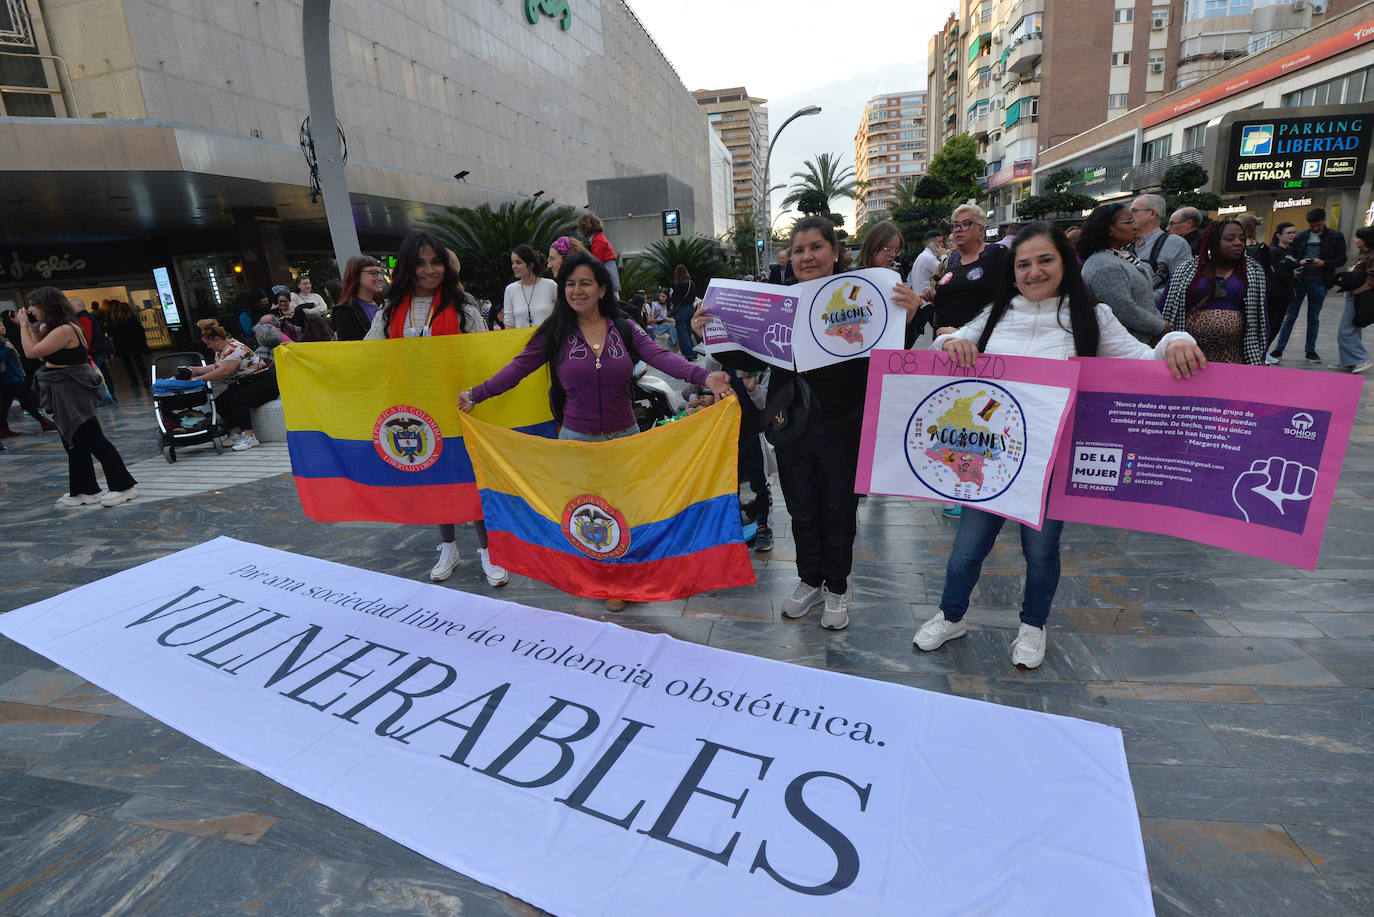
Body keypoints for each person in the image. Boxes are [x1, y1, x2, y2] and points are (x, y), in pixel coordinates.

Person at [915, 223, 1206, 668]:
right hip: (991, 460)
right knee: (967, 548)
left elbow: (1143, 360)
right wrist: (948, 339)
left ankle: (1033, 626)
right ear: (1012, 272)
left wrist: (1175, 340)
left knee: (1042, 551)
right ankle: (950, 615)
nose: (1034, 271)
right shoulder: (998, 312)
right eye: (1024, 263)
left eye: (1045, 260)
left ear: (1064, 263)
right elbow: (947, 349)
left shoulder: (1094, 316)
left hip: (1051, 461)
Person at [459, 251, 731, 610]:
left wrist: (703, 375)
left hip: (625, 438)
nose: (577, 290)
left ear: (602, 289)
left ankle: (627, 577)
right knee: (592, 514)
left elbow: (661, 357)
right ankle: (603, 579)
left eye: (586, 282)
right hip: (577, 442)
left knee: (627, 509)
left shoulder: (625, 328)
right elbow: (517, 370)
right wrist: (477, 394)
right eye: (569, 284)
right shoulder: (554, 333)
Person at [747, 217, 917, 630]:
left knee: (838, 512)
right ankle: (809, 581)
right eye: (799, 249)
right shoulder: (780, 301)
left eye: (816, 247)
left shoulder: (862, 295)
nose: (807, 257)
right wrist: (712, 329)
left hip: (844, 426)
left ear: (836, 252)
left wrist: (909, 319)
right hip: (791, 427)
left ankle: (837, 588)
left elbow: (888, 353)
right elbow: (751, 356)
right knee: (803, 511)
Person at [364, 230, 506, 588]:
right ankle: (448, 548)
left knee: (471, 480)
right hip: (414, 413)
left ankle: (489, 551)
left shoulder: (463, 308)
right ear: (407, 268)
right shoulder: (390, 310)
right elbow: (367, 354)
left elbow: (483, 355)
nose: (429, 270)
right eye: (420, 263)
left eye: (436, 262)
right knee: (434, 481)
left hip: (459, 410)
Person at [920, 205, 1009, 516]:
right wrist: (932, 293)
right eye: (954, 224)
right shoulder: (950, 260)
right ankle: (958, 482)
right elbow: (944, 290)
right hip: (947, 352)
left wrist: (966, 334)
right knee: (955, 417)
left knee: (982, 415)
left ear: (982, 228)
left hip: (980, 351)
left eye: (966, 224)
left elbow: (1005, 300)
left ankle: (985, 479)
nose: (958, 229)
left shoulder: (997, 257)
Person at [16, 287, 139, 507]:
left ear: (47, 305)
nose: (31, 309)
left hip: (73, 388)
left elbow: (31, 353)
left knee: (93, 438)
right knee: (73, 441)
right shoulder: (54, 328)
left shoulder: (65, 329)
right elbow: (42, 352)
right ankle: (85, 490)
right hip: (61, 386)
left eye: (34, 304)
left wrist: (24, 326)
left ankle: (123, 486)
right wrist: (34, 328)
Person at [1161, 220, 1268, 366]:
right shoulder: (1185, 271)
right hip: (1190, 356)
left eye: (1242, 239)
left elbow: (1261, 316)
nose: (1238, 243)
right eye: (1230, 239)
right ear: (1213, 242)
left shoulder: (1253, 271)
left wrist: (1262, 354)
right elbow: (1165, 308)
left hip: (1235, 357)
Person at [1078, 203, 1168, 344]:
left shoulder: (1118, 256)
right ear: (1109, 229)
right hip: (1128, 346)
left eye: (1134, 221)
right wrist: (1161, 327)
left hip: (1142, 341)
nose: (1135, 226)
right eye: (1128, 222)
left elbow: (1145, 301)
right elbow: (1125, 311)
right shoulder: (1103, 265)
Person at [1268, 207, 1347, 366]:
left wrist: (1324, 263)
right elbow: (1293, 256)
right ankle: (1279, 348)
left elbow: (1342, 258)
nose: (1315, 228)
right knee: (1290, 316)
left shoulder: (1336, 236)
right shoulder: (1302, 236)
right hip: (1300, 280)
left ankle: (1310, 350)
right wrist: (1299, 263)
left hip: (1320, 280)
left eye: (1318, 225)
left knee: (1314, 317)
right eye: (1312, 226)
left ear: (1324, 221)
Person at [186, 319, 279, 451]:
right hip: (246, 382)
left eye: (208, 343)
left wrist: (200, 379)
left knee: (238, 399)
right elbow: (219, 366)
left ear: (217, 339)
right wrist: (196, 370)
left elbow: (225, 370)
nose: (208, 347)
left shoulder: (234, 348)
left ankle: (250, 436)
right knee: (221, 401)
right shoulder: (222, 349)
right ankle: (237, 433)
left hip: (264, 383)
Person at [1128, 193, 1192, 305]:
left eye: (1134, 211)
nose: (1128, 216)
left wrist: (1143, 301)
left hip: (1159, 316)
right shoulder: (1126, 244)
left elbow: (1183, 285)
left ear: (1152, 214)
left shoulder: (1176, 244)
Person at [1, 328, 57, 435]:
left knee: (6, 403)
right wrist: (7, 349)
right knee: (25, 399)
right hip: (8, 377)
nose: (3, 327)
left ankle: (3, 428)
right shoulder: (4, 343)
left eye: (3, 324)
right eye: (0, 325)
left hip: (12, 376)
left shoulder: (4, 340)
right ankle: (43, 422)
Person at [1337, 226, 1374, 374]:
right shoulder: (1366, 254)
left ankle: (1360, 359)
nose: (1356, 240)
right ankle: (1349, 362)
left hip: (1360, 296)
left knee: (1345, 331)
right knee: (1352, 328)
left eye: (1359, 238)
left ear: (1365, 240)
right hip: (1356, 296)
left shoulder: (1372, 256)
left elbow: (1371, 280)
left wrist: (1355, 291)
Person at [70, 299, 116, 403]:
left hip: (95, 350)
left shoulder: (83, 318)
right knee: (103, 373)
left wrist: (85, 351)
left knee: (94, 375)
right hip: (99, 349)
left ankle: (103, 398)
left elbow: (87, 337)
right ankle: (110, 395)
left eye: (71, 306)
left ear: (79, 306)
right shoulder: (86, 316)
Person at [504, 244, 558, 329]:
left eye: (518, 262)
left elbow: (562, 314)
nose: (514, 266)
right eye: (513, 262)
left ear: (530, 265)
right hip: (521, 341)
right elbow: (509, 322)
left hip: (548, 341)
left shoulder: (551, 285)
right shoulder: (510, 290)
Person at [334, 255, 385, 341]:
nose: (380, 278)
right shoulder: (345, 311)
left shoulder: (385, 304)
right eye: (373, 273)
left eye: (380, 273)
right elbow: (349, 348)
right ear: (355, 275)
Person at [107, 300, 150, 394]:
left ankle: (134, 380)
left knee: (127, 364)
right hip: (134, 342)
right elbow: (139, 328)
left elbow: (110, 333)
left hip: (121, 344)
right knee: (139, 361)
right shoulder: (129, 316)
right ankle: (145, 378)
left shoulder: (112, 319)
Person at [1267, 222, 1298, 345]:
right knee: (1272, 322)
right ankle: (1264, 352)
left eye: (1294, 232)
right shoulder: (1274, 251)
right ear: (1279, 235)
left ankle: (1266, 352)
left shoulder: (1291, 250)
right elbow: (1277, 272)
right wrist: (1291, 272)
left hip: (1286, 292)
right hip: (1275, 293)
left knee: (1278, 322)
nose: (1292, 235)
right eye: (1289, 233)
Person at [578, 213, 620, 295]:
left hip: (607, 268)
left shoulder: (597, 240)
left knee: (611, 293)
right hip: (608, 267)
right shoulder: (597, 238)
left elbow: (596, 260)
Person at [669, 264, 698, 358]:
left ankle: (688, 353)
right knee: (689, 331)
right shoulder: (691, 283)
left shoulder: (678, 285)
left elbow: (674, 300)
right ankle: (693, 351)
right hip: (691, 309)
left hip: (682, 310)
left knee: (682, 333)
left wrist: (671, 295)